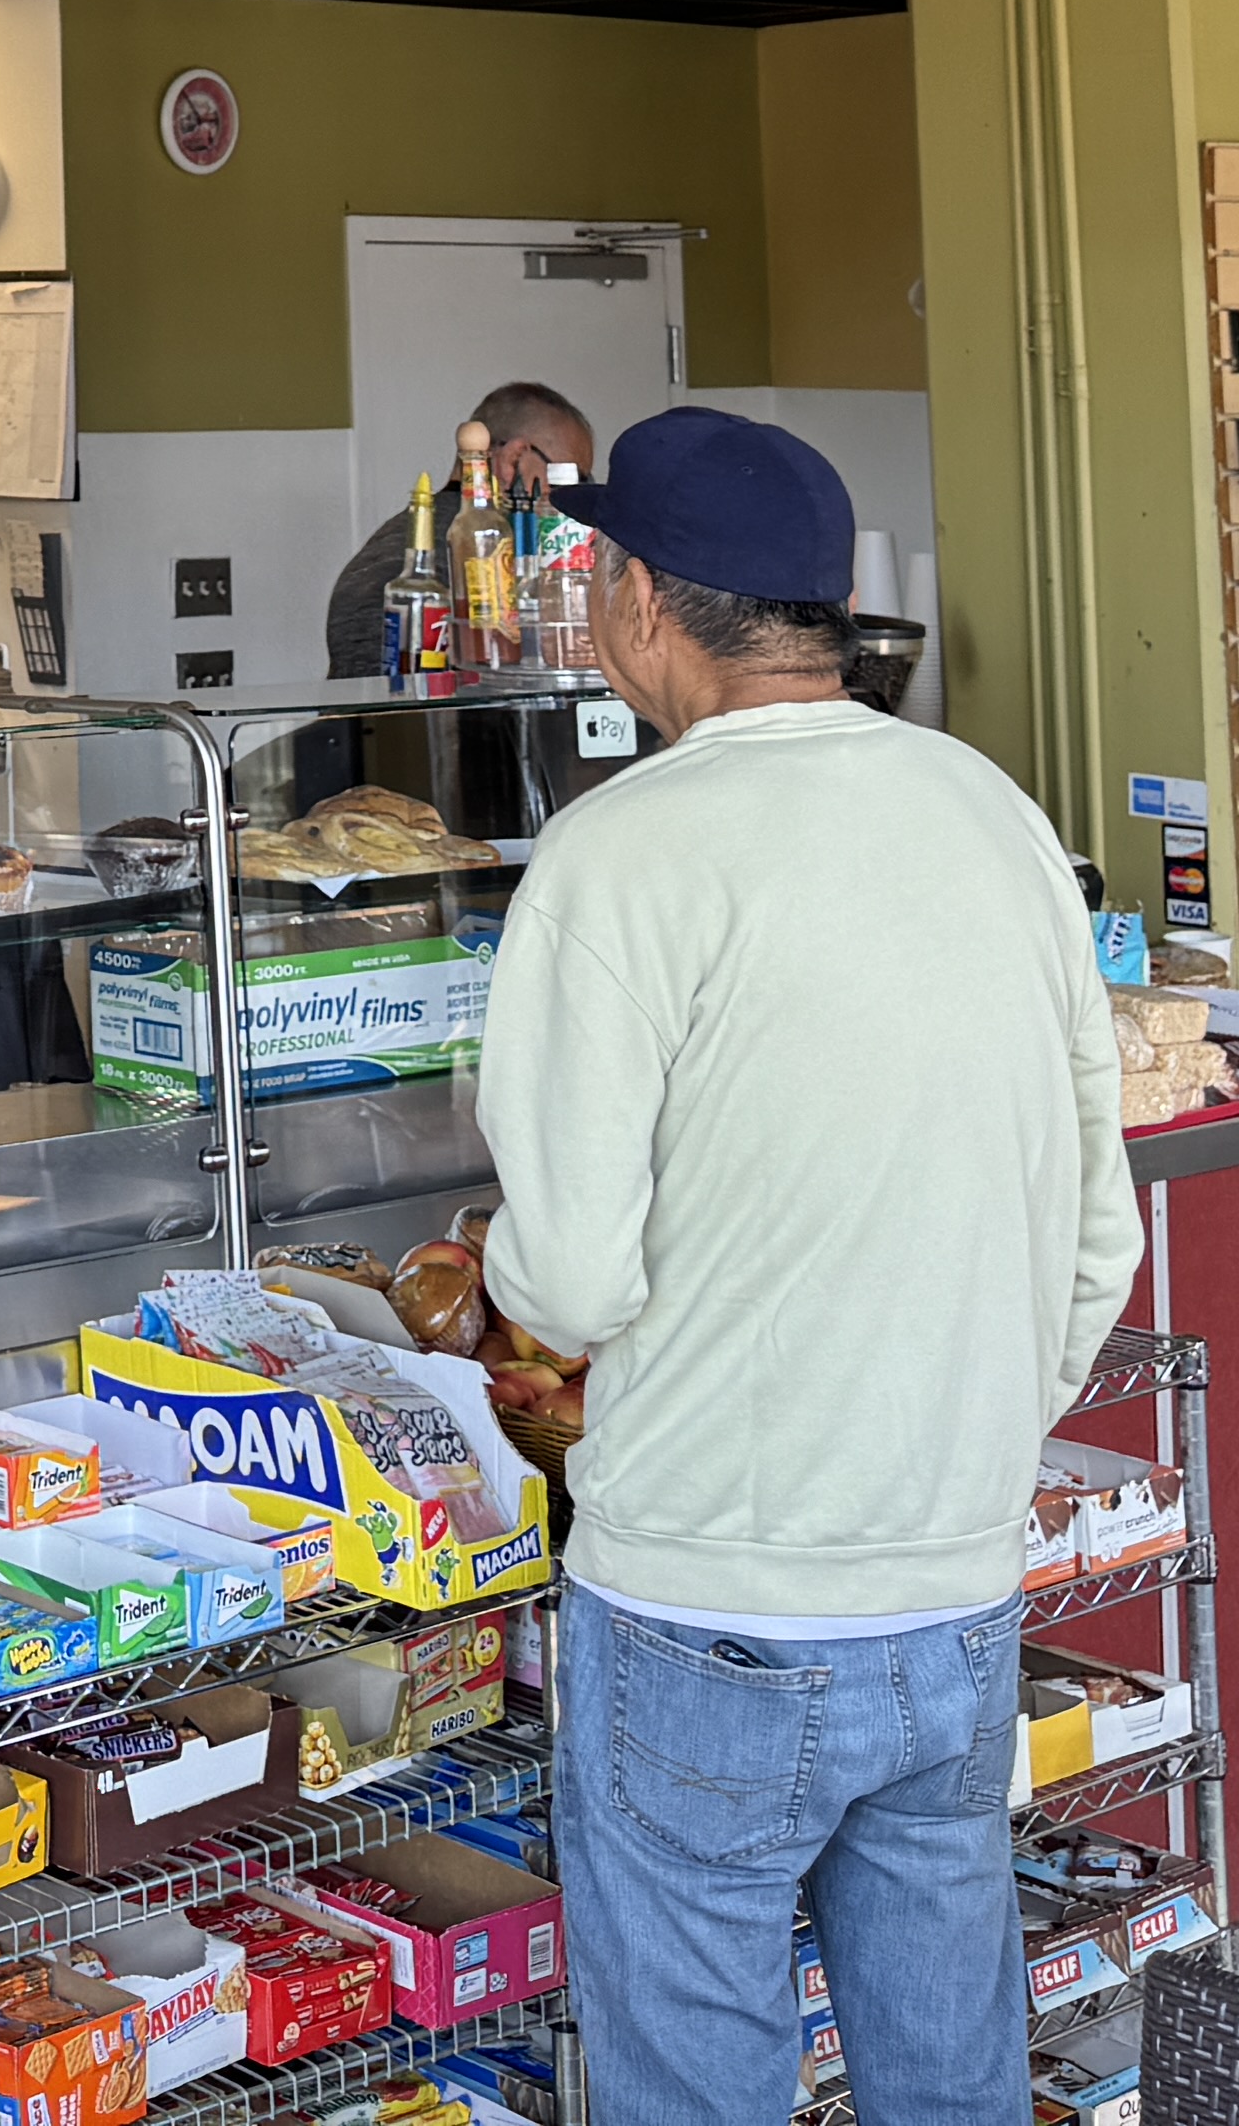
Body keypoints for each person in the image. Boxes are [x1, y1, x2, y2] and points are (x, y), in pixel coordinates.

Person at [477, 407, 1139, 2126]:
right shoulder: (993, 814)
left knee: (699, 2075)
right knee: (948, 2071)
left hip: (706, 1594)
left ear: (634, 597)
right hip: (951, 1585)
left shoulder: (621, 847)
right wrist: (963, 1443)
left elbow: (567, 1272)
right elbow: (1092, 1229)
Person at [318, 379, 594, 683]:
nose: (574, 501)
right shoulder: (465, 548)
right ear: (514, 460)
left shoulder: (401, 534)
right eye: (571, 479)